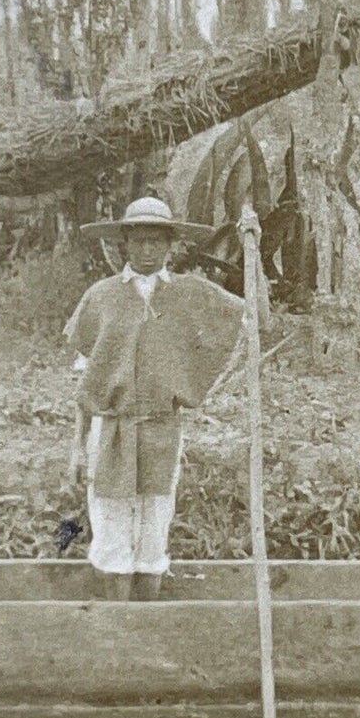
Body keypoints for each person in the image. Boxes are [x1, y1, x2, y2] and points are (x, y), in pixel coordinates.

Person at [64, 197, 245, 601]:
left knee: (154, 519)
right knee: (111, 519)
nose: (148, 250)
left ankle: (149, 620)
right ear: (125, 242)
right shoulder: (102, 297)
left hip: (162, 427)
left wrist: (255, 245)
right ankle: (118, 621)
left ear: (171, 245)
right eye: (139, 240)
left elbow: (250, 317)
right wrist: (77, 448)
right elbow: (85, 386)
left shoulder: (190, 295)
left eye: (157, 242)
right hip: (110, 427)